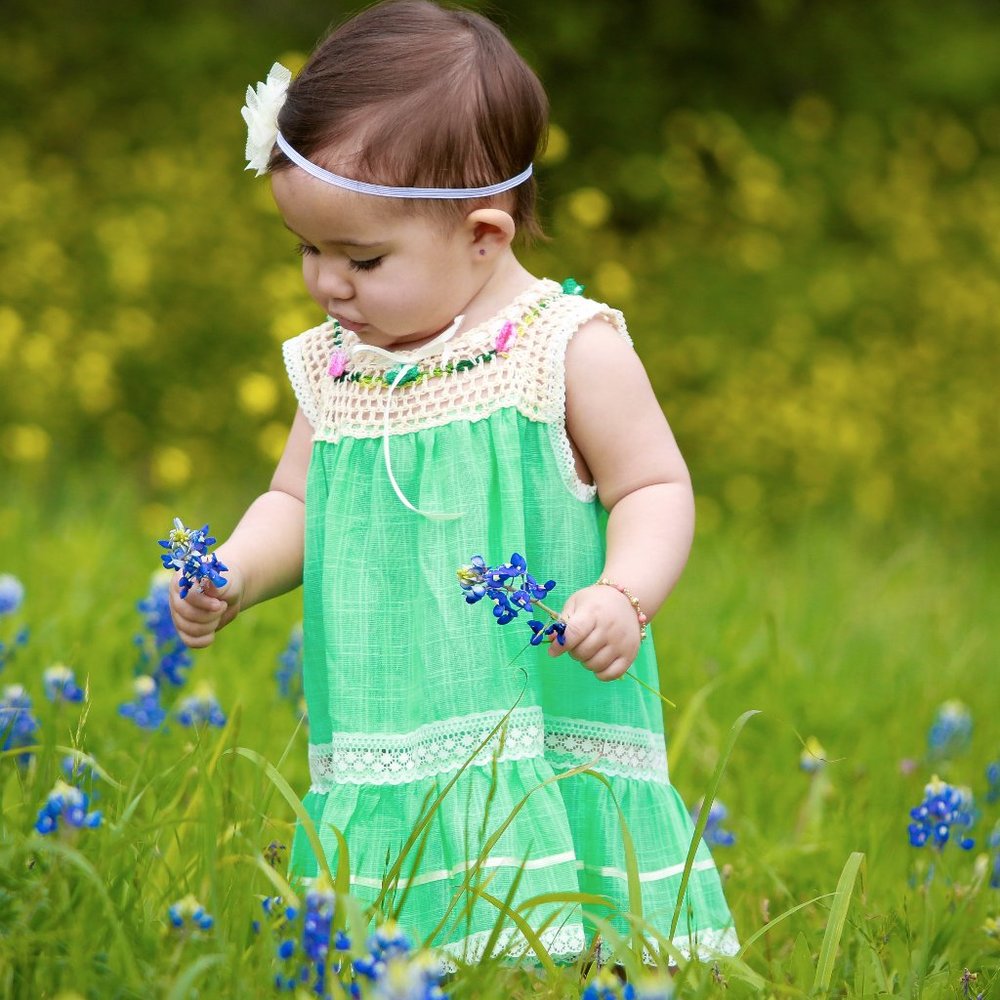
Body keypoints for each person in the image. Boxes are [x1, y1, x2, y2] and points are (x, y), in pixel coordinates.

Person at [169, 0, 737, 967]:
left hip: (543, 704)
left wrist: (625, 592)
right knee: (400, 944)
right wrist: (234, 572)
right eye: (307, 250)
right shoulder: (342, 366)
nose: (326, 285)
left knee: (568, 942)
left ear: (483, 233)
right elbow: (298, 503)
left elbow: (653, 485)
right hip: (391, 711)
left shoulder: (566, 349)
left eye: (362, 259)